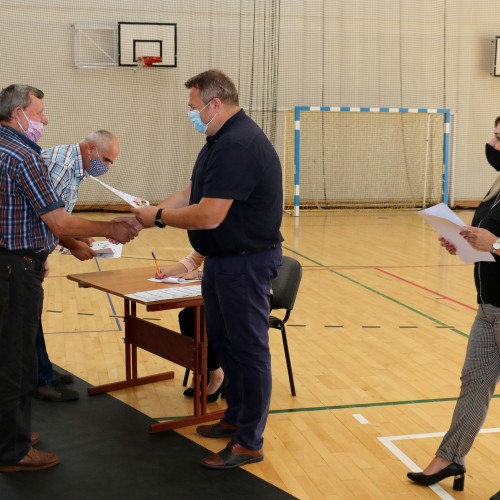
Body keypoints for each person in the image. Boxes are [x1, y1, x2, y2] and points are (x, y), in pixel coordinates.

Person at [131, 69, 283, 469]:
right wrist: (144, 215)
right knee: (224, 342)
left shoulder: (239, 144)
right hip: (222, 264)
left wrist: (157, 217)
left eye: (193, 107)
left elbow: (210, 215)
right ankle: (235, 416)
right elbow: (189, 192)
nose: (191, 114)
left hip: (246, 264)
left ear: (215, 104)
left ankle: (250, 441)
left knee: (249, 350)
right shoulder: (218, 141)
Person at [0, 84, 139, 472]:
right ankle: (12, 451)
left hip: (9, 263)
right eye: (39, 112)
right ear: (18, 113)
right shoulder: (26, 156)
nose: (45, 120)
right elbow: (58, 220)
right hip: (16, 267)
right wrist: (110, 228)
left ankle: (11, 434)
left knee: (13, 354)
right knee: (15, 360)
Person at [407, 117, 500, 491]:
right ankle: (450, 458)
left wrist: (491, 245)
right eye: (494, 133)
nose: (493, 142)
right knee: (473, 384)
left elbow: (495, 243)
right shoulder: (497, 188)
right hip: (489, 308)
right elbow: (488, 242)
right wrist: (463, 242)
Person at [33, 130, 120, 402]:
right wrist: (73, 245)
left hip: (37, 249)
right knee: (28, 317)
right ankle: (40, 378)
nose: (106, 167)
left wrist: (80, 236)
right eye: (106, 159)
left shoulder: (77, 166)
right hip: (24, 250)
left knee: (32, 316)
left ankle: (43, 371)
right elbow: (47, 218)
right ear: (91, 149)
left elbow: (62, 216)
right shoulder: (60, 165)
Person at [155, 249, 224, 402]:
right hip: (217, 291)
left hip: (243, 297)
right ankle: (200, 369)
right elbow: (193, 259)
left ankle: (216, 373)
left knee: (202, 318)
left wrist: (199, 274)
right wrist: (167, 273)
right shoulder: (210, 233)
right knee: (188, 316)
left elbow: (232, 272)